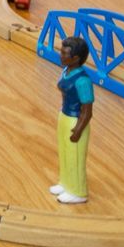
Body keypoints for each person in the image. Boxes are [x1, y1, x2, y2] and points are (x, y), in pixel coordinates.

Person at [52, 35, 96, 204]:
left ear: (76, 58)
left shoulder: (83, 81)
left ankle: (78, 191)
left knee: (75, 156)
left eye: (64, 53)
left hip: (75, 120)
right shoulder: (66, 70)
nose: (60, 55)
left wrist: (78, 129)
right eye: (61, 51)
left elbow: (87, 110)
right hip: (64, 115)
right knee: (64, 152)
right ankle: (66, 183)